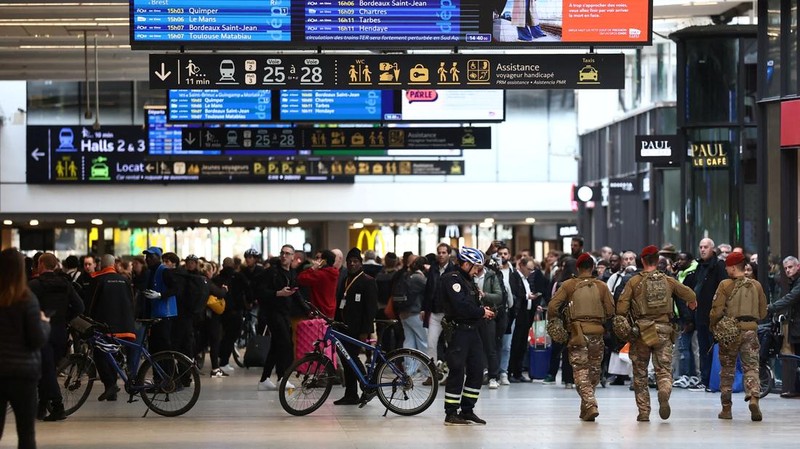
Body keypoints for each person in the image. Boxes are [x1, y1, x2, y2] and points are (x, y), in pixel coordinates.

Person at [615, 245, 697, 422]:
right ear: (657, 261)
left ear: (642, 261)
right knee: (664, 370)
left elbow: (621, 308)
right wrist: (692, 303)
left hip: (641, 333)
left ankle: (644, 412)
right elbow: (689, 293)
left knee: (640, 373)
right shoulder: (668, 280)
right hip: (664, 331)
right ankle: (664, 391)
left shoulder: (634, 281)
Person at [548, 253, 615, 421]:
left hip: (577, 333)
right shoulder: (601, 286)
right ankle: (586, 409)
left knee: (580, 371)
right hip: (597, 334)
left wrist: (558, 323)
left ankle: (590, 403)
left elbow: (552, 306)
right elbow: (610, 310)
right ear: (593, 268)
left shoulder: (569, 285)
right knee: (593, 372)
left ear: (577, 268)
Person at [0, 248, 51, 449]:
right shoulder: (26, 299)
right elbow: (36, 339)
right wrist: (45, 323)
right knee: (26, 433)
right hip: (23, 374)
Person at [440, 246, 495, 426]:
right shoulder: (452, 279)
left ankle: (467, 409)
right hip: (459, 332)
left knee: (477, 371)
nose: (478, 271)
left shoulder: (467, 280)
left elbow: (471, 303)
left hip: (473, 331)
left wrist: (482, 310)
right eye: (476, 267)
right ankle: (451, 412)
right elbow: (461, 306)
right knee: (457, 371)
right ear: (465, 264)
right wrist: (481, 312)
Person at [709, 252, 767, 421]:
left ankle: (726, 409)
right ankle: (754, 398)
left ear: (733, 268)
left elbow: (716, 311)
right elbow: (763, 312)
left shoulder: (725, 285)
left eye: (727, 266)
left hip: (730, 333)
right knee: (751, 368)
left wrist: (714, 326)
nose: (726, 269)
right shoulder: (756, 285)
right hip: (750, 331)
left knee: (727, 371)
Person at [85, 254, 135, 401]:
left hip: (105, 326)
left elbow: (91, 303)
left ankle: (110, 385)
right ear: (114, 265)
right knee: (112, 355)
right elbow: (131, 302)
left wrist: (88, 320)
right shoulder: (124, 280)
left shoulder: (98, 280)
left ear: (101, 265)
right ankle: (111, 390)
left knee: (100, 354)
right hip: (124, 326)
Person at [332, 248, 378, 405]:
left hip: (358, 330)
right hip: (343, 328)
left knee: (352, 357)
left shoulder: (368, 281)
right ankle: (351, 394)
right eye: (349, 261)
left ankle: (367, 385)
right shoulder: (344, 279)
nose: (352, 264)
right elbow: (340, 303)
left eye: (355, 261)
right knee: (347, 360)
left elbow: (370, 309)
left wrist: (366, 331)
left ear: (361, 263)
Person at [256, 244, 302, 390]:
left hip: (284, 313)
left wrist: (308, 309)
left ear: (293, 257)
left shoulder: (292, 273)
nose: (284, 256)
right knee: (285, 345)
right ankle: (282, 377)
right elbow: (260, 291)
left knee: (276, 346)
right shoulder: (271, 272)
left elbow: (296, 294)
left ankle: (264, 380)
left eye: (288, 253)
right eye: (282, 253)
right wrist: (278, 293)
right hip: (272, 313)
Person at [692, 238, 728, 392]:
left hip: (714, 314)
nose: (702, 250)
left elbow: (723, 288)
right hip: (700, 314)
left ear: (712, 249)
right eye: (700, 247)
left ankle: (715, 380)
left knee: (713, 347)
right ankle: (705, 379)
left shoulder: (719, 266)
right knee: (702, 347)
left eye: (705, 247)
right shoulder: (700, 266)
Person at [767, 256, 800, 397]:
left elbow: (791, 298)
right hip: (796, 326)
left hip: (798, 326)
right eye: (786, 268)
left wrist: (771, 307)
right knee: (797, 359)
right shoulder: (794, 282)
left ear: (798, 266)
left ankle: (796, 389)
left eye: (790, 267)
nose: (787, 270)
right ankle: (796, 389)